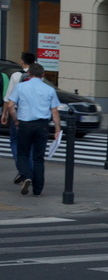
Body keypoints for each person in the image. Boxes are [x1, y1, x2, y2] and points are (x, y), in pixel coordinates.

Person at [5, 63, 62, 197]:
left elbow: (11, 105)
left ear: (29, 74)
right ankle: (38, 189)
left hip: (25, 123)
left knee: (23, 153)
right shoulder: (49, 90)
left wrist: (16, 120)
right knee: (38, 157)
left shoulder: (21, 87)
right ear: (43, 75)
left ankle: (26, 175)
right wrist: (57, 129)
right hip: (42, 125)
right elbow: (54, 112)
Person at [1, 52, 36, 184]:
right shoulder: (38, 76)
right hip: (34, 115)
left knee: (16, 142)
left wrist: (4, 114)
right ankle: (29, 173)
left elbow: (8, 98)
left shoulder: (16, 75)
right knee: (31, 145)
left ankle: (23, 171)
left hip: (18, 114)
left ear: (22, 61)